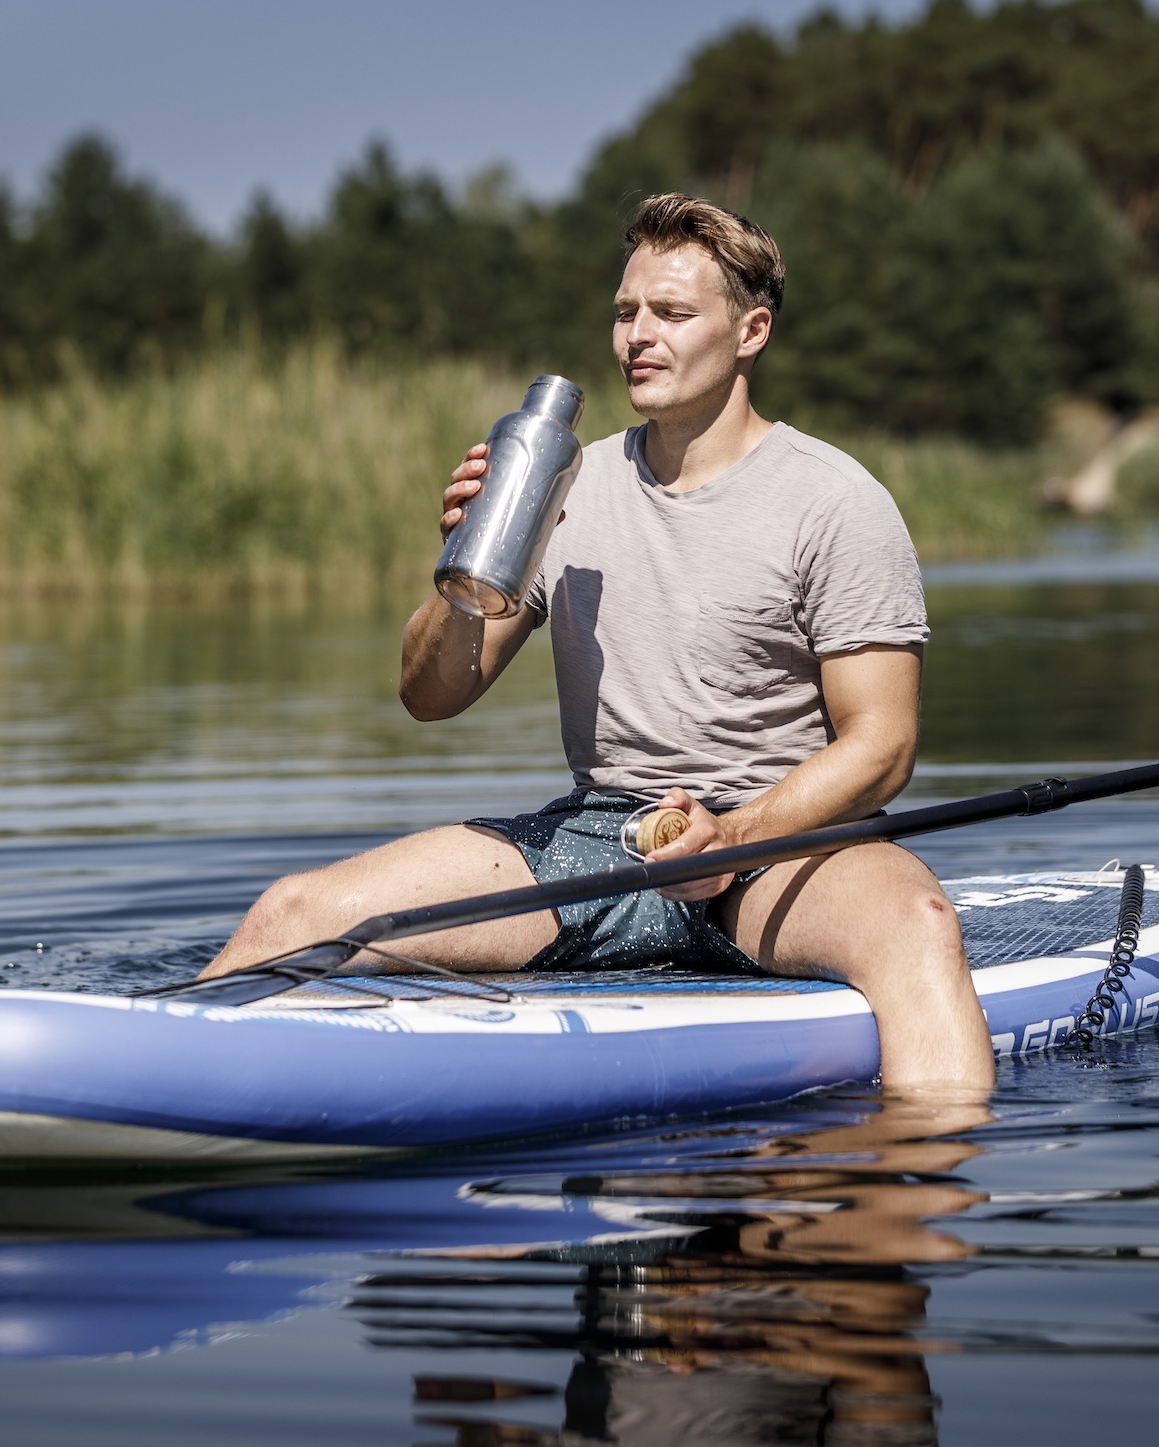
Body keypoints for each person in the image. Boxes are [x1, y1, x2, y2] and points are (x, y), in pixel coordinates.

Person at [203, 193, 994, 1093]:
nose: (637, 337)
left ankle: (922, 1165)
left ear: (751, 331)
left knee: (920, 926)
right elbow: (431, 697)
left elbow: (883, 746)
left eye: (671, 313)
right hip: (602, 838)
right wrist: (468, 567)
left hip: (780, 844)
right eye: (626, 312)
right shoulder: (564, 486)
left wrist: (733, 836)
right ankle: (148, 1091)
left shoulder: (837, 501)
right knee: (295, 912)